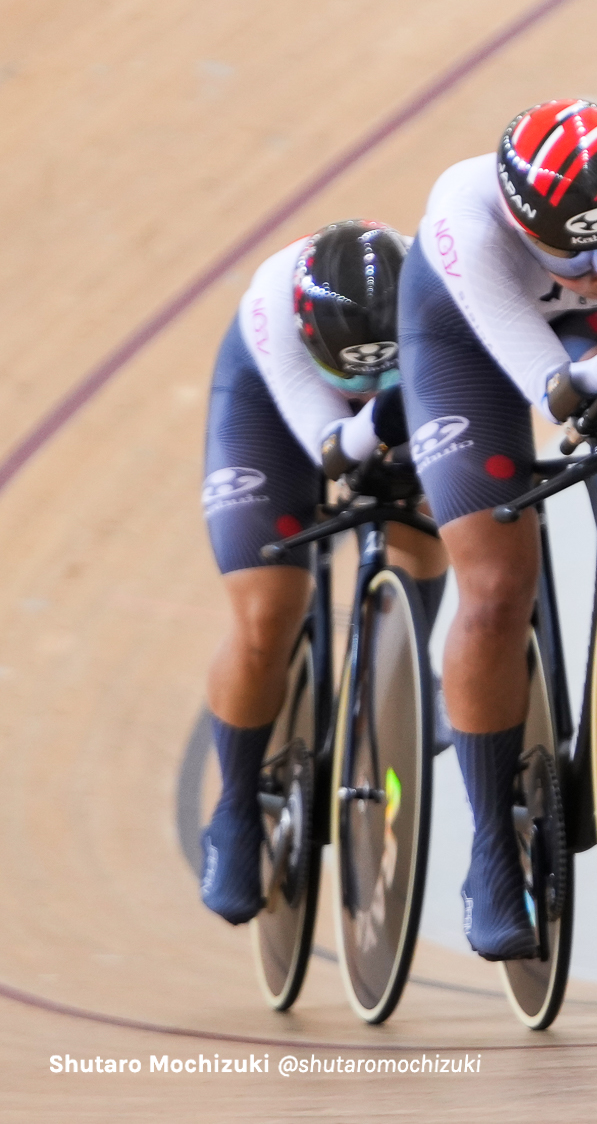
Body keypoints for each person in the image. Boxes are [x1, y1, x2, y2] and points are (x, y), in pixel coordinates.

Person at [399, 98, 597, 959]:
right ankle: (492, 846)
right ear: (523, 223)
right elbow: (556, 397)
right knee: (495, 589)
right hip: (463, 340)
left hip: (590, 342)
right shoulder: (466, 220)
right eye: (578, 255)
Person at [199, 219, 447, 924]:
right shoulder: (272, 312)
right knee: (267, 612)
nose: (365, 383)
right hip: (274, 412)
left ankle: (403, 663)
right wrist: (382, 412)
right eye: (353, 371)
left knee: (428, 506)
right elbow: (333, 447)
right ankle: (236, 807)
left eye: (378, 368)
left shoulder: (434, 285)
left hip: (404, 389)